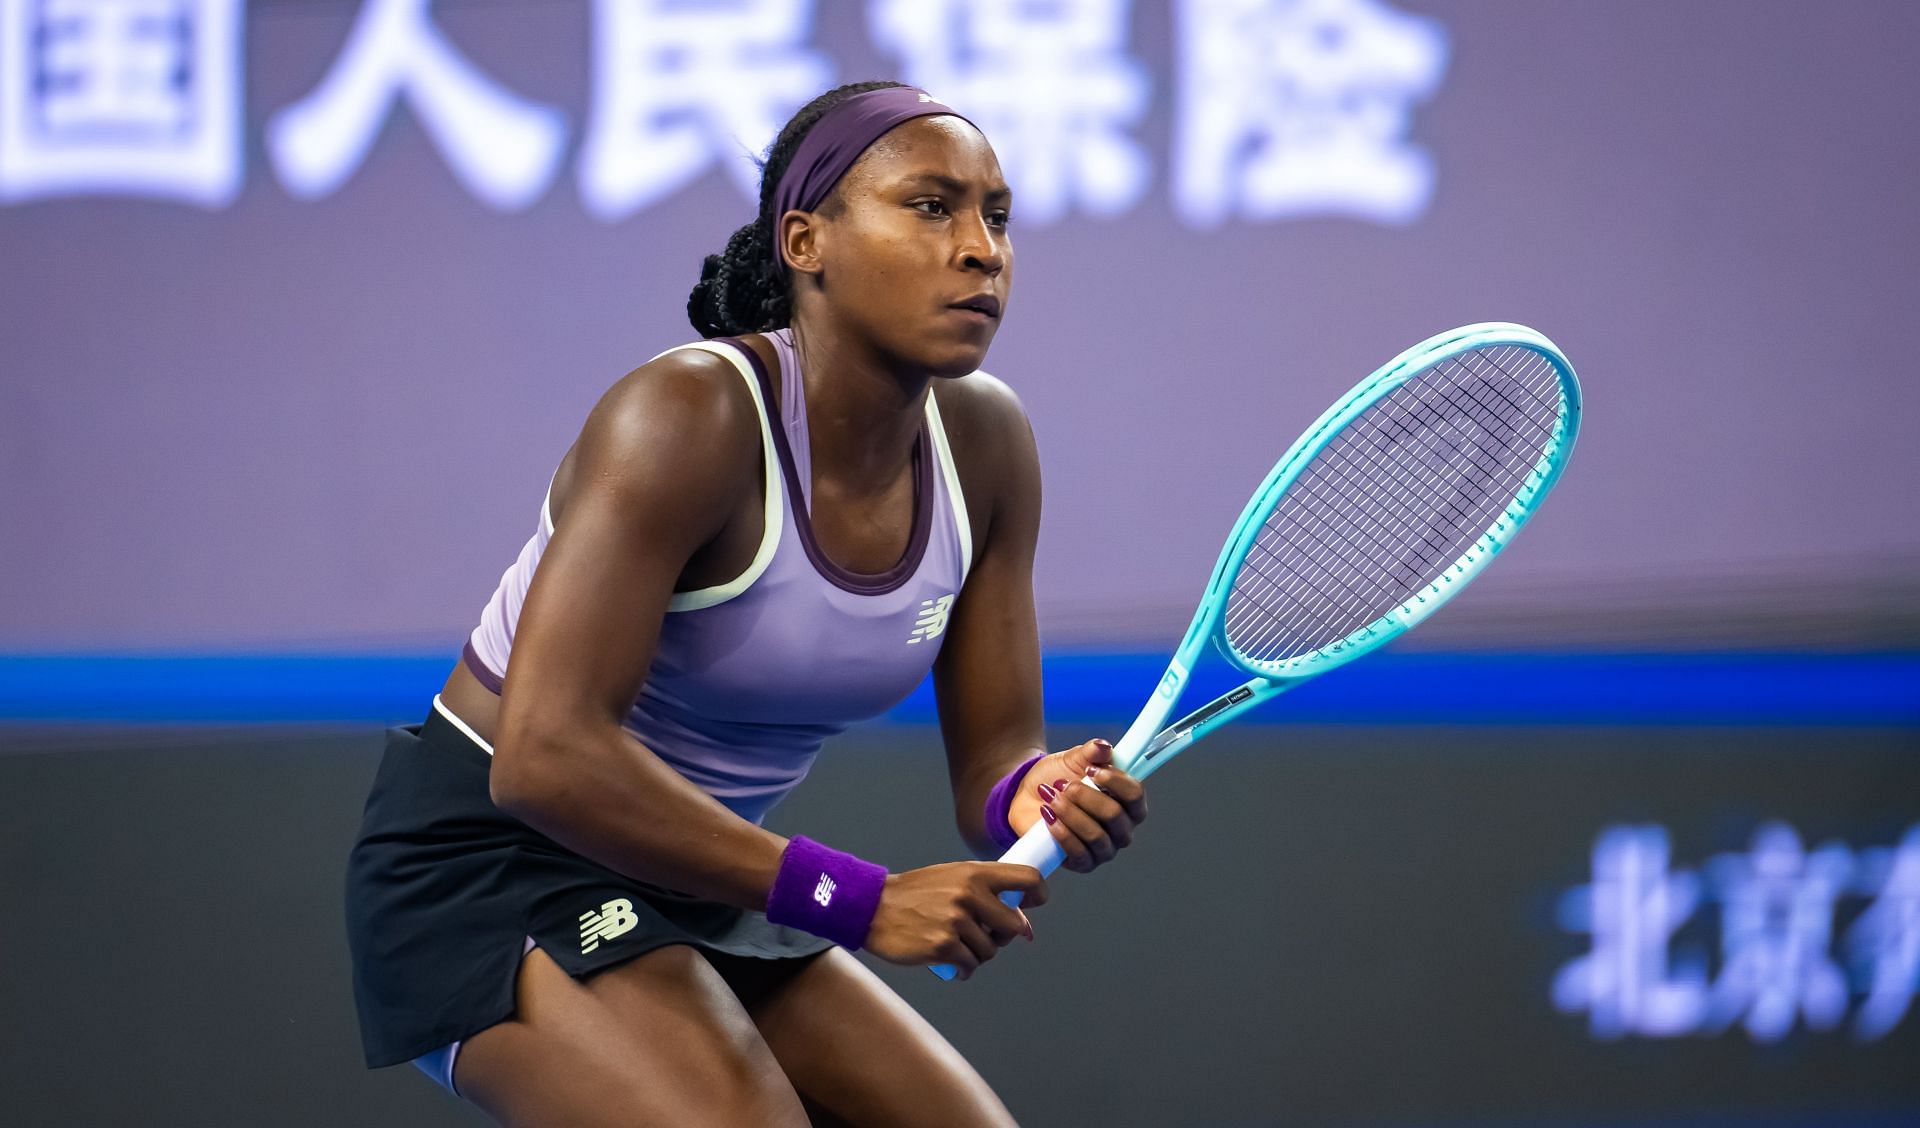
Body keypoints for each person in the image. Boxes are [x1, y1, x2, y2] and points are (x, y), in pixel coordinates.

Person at [345, 80, 1148, 1126]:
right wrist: (859, 899)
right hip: (492, 864)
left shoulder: (987, 445)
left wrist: (1038, 793)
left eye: (996, 215)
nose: (980, 248)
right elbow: (542, 755)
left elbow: (995, 765)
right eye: (929, 206)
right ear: (805, 240)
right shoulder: (685, 416)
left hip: (699, 868)